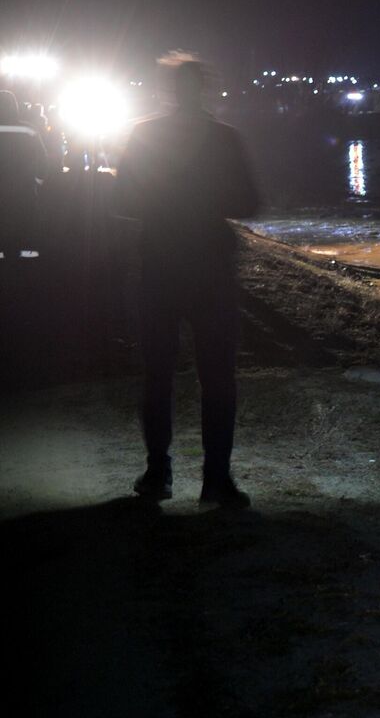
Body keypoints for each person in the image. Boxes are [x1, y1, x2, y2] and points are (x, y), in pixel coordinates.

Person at [114, 56, 259, 507]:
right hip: (211, 265)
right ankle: (216, 480)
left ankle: (158, 474)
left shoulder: (144, 134)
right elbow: (250, 202)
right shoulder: (224, 137)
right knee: (218, 376)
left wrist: (164, 204)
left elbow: (122, 199)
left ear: (169, 91)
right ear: (205, 89)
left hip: (159, 263)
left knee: (157, 373)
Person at [0, 89, 48, 262]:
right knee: (22, 220)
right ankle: (22, 256)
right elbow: (43, 158)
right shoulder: (28, 130)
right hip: (23, 187)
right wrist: (38, 181)